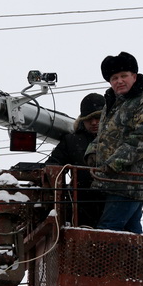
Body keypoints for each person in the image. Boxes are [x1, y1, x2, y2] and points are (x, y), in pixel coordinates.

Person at [84, 51, 143, 234]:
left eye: (123, 76)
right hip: (113, 182)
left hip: (129, 183)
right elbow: (105, 135)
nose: (119, 81)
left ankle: (115, 255)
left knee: (108, 230)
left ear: (134, 77)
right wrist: (92, 152)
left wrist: (114, 163)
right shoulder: (113, 104)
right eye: (114, 78)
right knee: (129, 232)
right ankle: (138, 254)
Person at [46, 93, 106, 227]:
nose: (94, 122)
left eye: (98, 117)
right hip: (81, 205)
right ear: (82, 120)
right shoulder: (71, 141)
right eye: (88, 119)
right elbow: (53, 165)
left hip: (112, 202)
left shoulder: (118, 139)